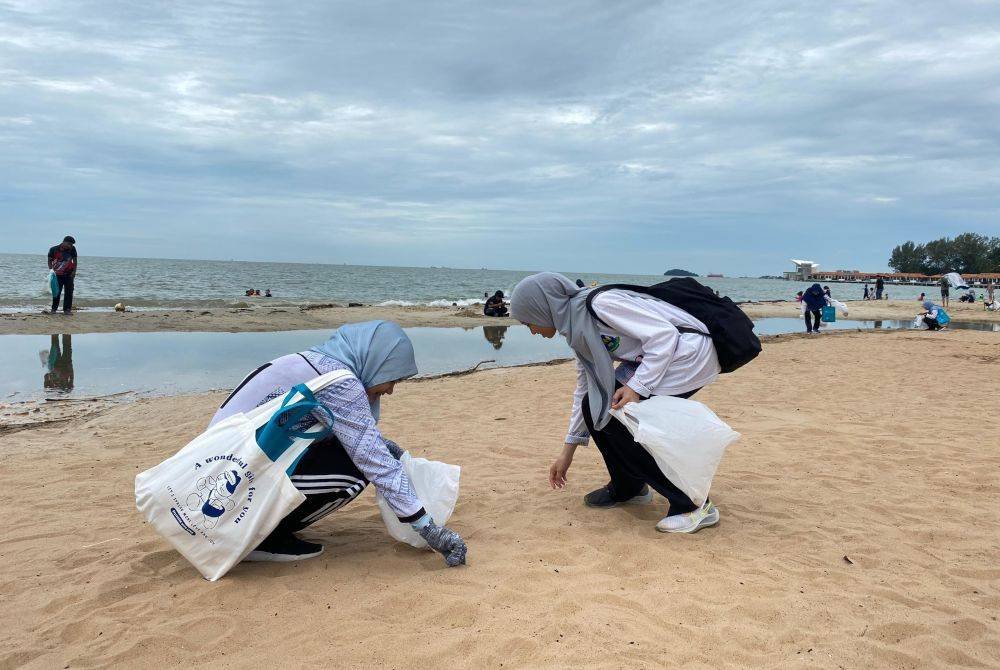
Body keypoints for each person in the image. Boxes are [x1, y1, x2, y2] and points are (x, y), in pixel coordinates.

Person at [208, 321, 467, 566]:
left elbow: (331, 430)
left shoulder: (314, 362)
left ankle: (255, 527)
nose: (390, 390)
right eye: (393, 378)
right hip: (237, 483)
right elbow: (373, 461)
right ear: (378, 362)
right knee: (357, 472)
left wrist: (385, 446)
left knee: (361, 456)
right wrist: (428, 529)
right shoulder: (340, 382)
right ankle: (262, 538)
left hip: (216, 469)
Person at [510, 273, 722, 534]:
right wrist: (568, 451)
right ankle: (629, 487)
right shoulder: (577, 329)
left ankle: (693, 505)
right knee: (597, 405)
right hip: (654, 359)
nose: (531, 330)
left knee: (619, 417)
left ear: (541, 308)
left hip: (688, 356)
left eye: (528, 321)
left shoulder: (600, 305)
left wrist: (636, 388)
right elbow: (586, 389)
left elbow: (664, 336)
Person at [47, 236, 77, 314]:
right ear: (64, 242)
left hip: (69, 274)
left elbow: (75, 260)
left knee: (69, 292)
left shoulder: (72, 249)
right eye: (69, 244)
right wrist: (51, 271)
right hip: (57, 275)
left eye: (72, 245)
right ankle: (54, 309)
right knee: (56, 292)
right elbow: (49, 260)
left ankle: (67, 310)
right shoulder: (53, 249)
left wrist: (74, 272)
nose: (70, 246)